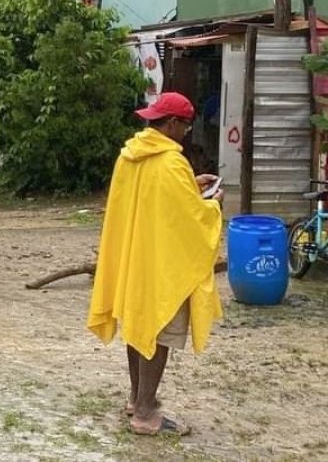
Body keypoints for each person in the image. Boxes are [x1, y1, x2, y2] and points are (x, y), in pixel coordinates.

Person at [86, 92, 223, 437]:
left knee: (137, 327)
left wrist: (191, 185)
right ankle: (146, 414)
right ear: (173, 124)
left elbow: (150, 200)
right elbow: (191, 217)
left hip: (134, 260)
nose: (186, 134)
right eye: (186, 127)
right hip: (161, 266)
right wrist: (213, 204)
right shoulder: (171, 162)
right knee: (159, 333)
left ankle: (136, 398)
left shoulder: (130, 155)